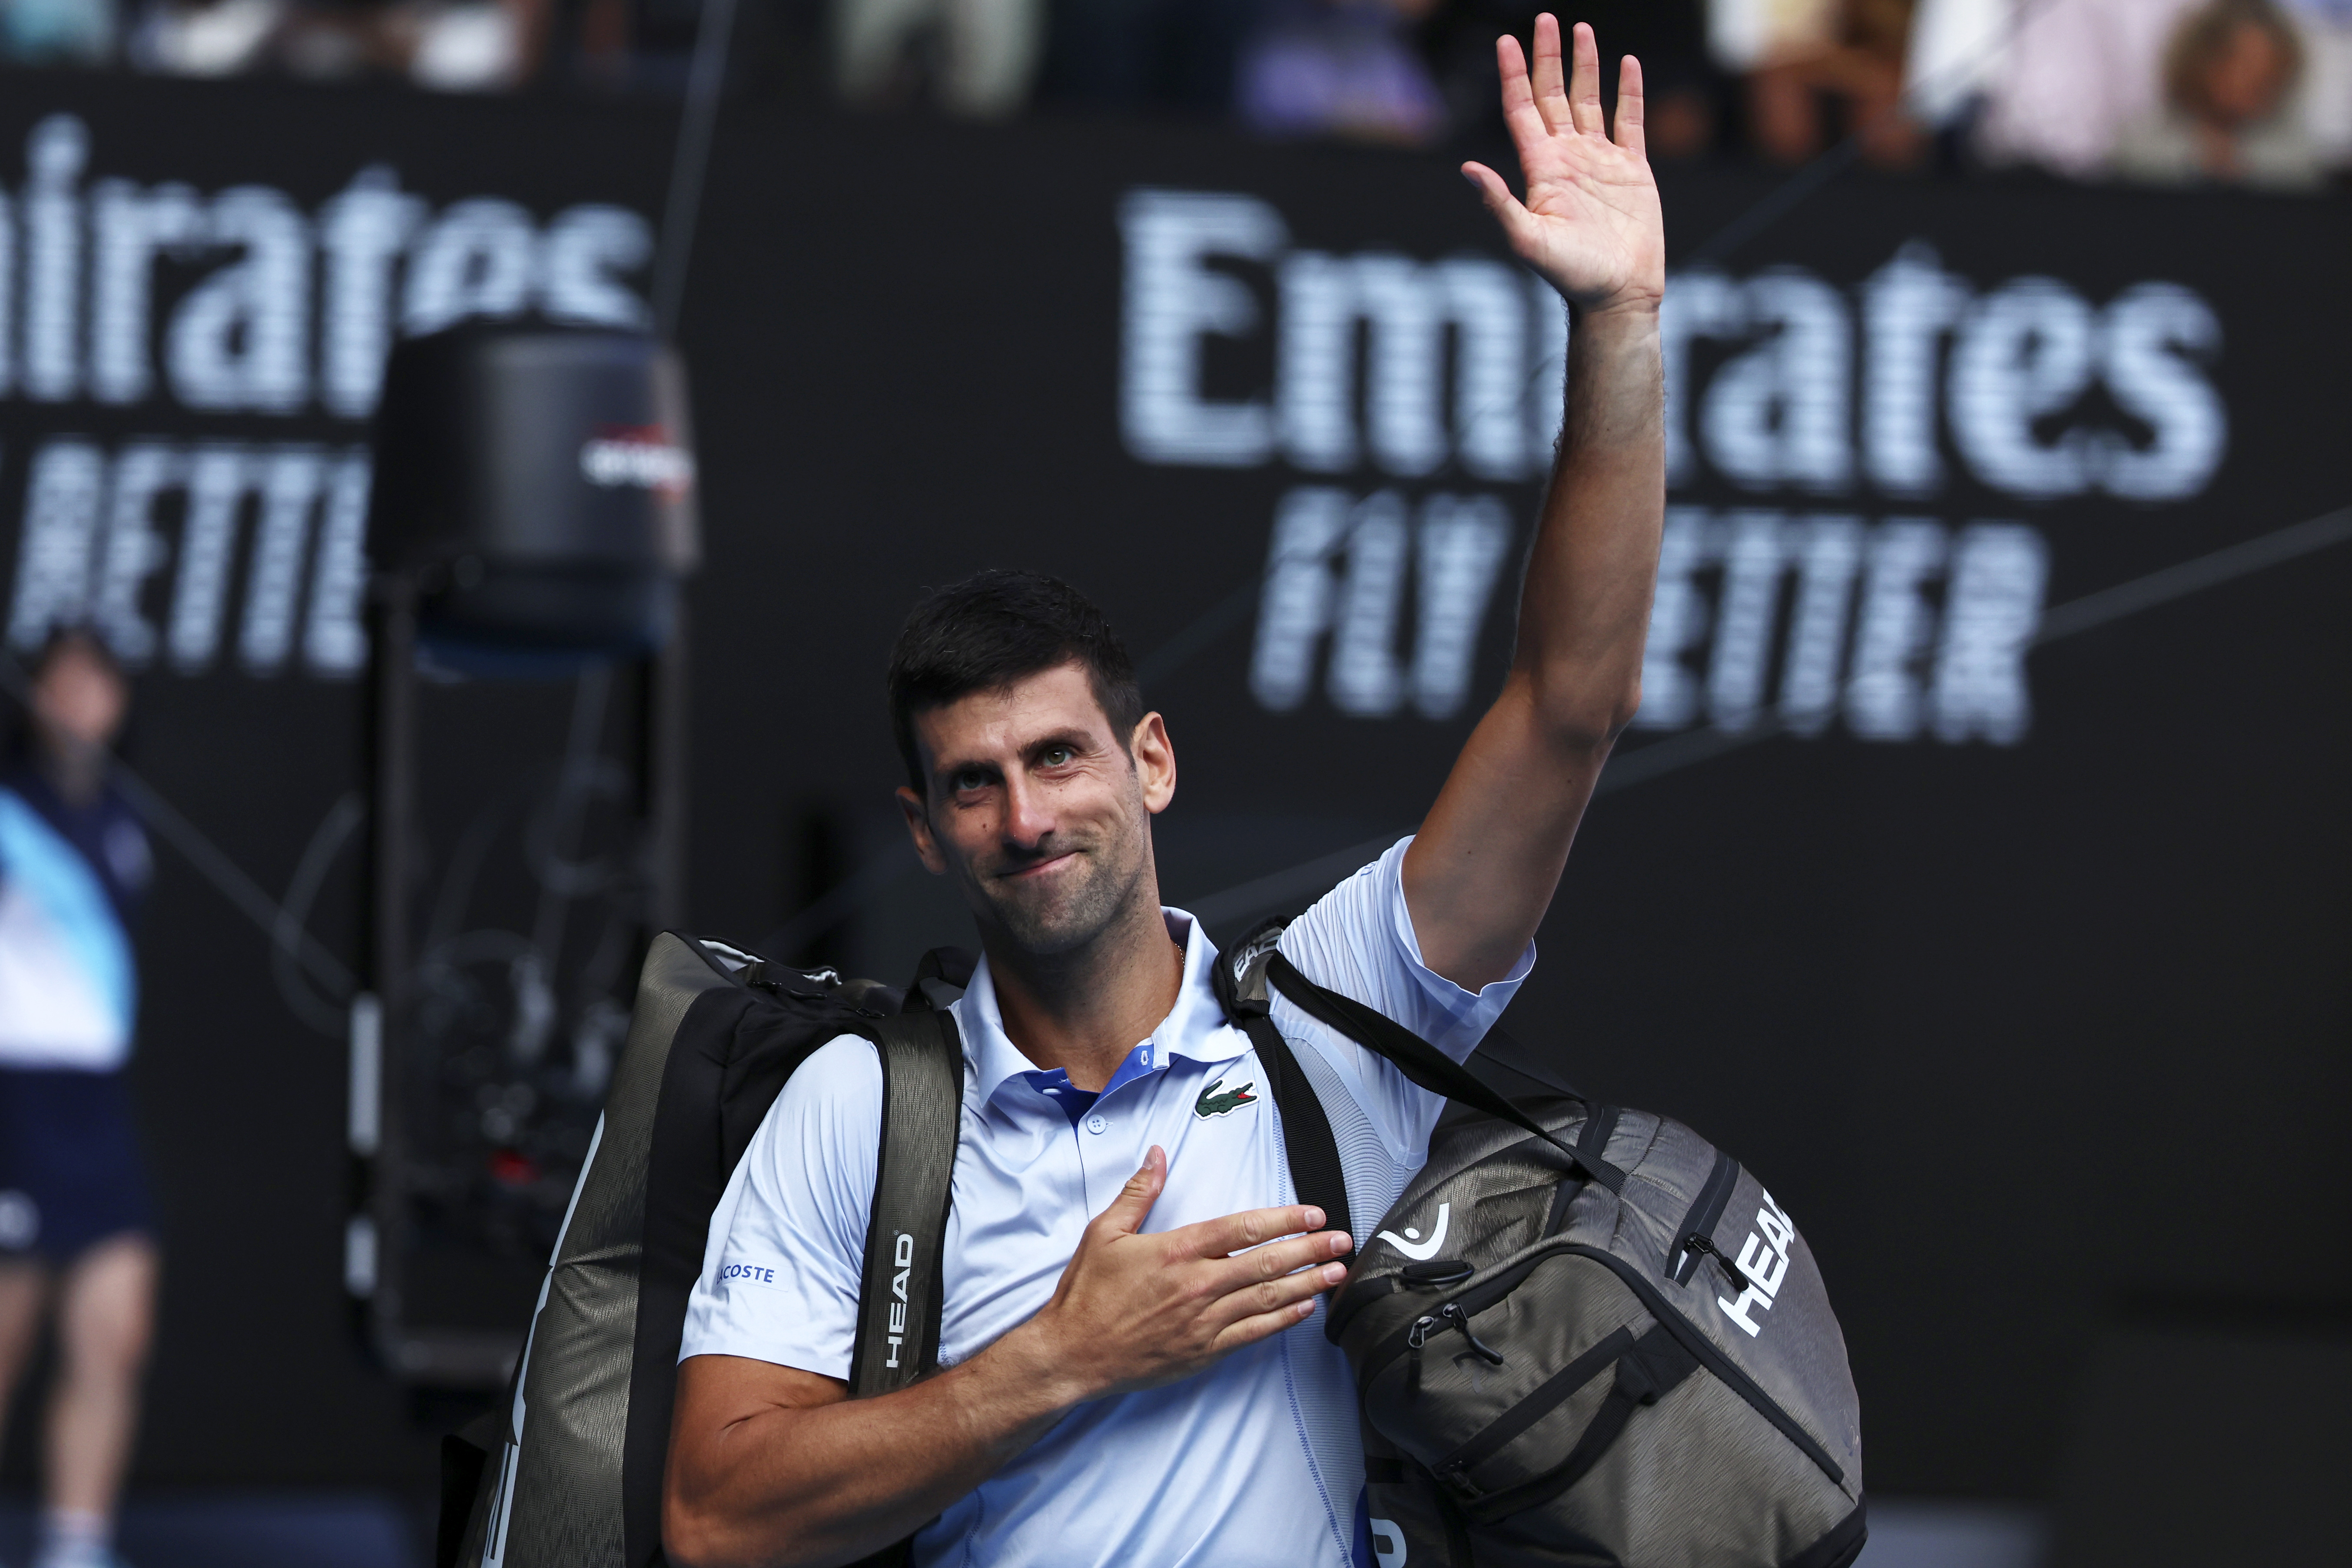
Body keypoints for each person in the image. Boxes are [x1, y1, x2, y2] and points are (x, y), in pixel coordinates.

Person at [663, 15, 1666, 1566]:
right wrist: (1065, 1357)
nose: (1028, 814)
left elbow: (1570, 708)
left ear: (1151, 762)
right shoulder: (861, 1104)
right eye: (974, 784)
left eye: (1060, 756)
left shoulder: (1337, 1020)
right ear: (926, 832)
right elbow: (718, 1521)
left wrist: (1618, 325)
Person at [0, 630, 159, 1568]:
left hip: (95, 1109)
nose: (77, 698)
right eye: (58, 680)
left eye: (96, 682)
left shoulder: (126, 821)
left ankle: (76, 1545)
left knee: (115, 1333)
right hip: (11, 1108)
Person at [2113, 0, 2325, 187]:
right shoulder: (2144, 146)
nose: (2255, 82)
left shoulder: (2293, 158)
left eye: (2270, 72)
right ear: (2203, 59)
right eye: (2245, 67)